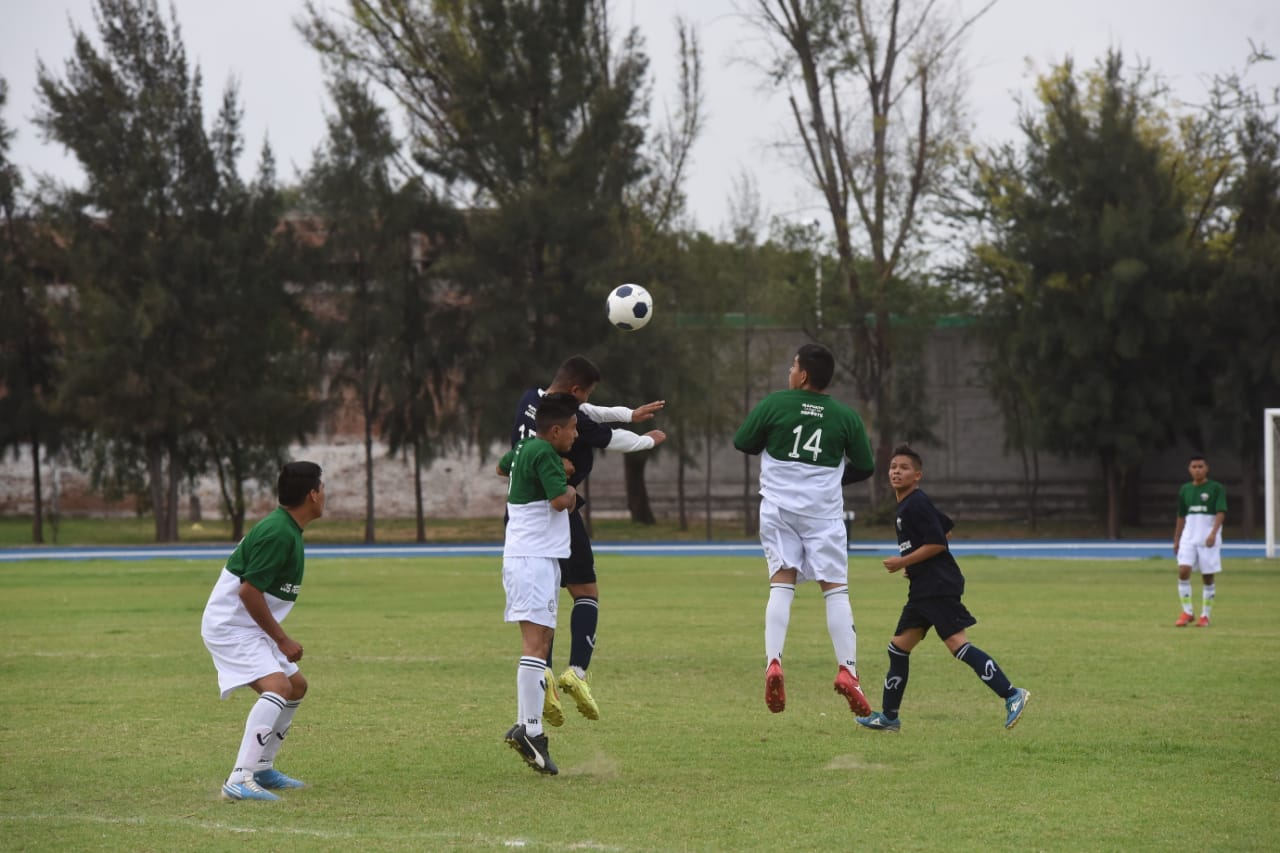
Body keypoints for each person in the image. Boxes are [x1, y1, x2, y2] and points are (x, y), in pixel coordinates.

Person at [510, 355, 666, 724]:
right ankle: (576, 673)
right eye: (585, 397)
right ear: (576, 392)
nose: (577, 428)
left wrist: (628, 413)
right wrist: (647, 440)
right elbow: (610, 437)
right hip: (554, 516)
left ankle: (543, 682)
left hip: (516, 517)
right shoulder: (570, 423)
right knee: (585, 592)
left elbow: (591, 411)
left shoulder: (529, 402)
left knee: (540, 607)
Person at [733, 343, 876, 717]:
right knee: (835, 590)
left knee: (782, 583)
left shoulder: (775, 404)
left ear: (804, 375)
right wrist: (829, 479)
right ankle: (848, 670)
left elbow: (743, 442)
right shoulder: (845, 416)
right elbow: (865, 465)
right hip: (823, 516)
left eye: (793, 366)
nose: (789, 372)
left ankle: (774, 661)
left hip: (778, 510)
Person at [855, 445, 1030, 732]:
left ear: (918, 475)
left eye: (904, 468)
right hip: (924, 587)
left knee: (957, 644)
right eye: (893, 467)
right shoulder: (910, 504)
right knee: (898, 649)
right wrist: (914, 565)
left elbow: (938, 542)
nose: (896, 472)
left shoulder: (916, 503)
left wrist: (904, 562)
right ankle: (889, 717)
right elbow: (946, 527)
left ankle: (1012, 694)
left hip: (937, 585)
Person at [200, 461, 326, 801]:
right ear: (313, 495)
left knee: (296, 686)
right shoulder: (277, 532)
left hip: (247, 625)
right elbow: (248, 592)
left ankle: (261, 768)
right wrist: (281, 639)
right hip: (231, 626)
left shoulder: (286, 528)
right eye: (322, 489)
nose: (324, 496)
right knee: (278, 686)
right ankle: (240, 778)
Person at [497, 392, 581, 775]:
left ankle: (524, 724)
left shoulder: (523, 448)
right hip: (532, 559)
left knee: (541, 641)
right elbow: (560, 502)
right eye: (574, 429)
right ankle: (532, 731)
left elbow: (503, 468)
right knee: (535, 644)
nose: (576, 436)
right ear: (556, 430)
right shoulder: (545, 453)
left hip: (530, 556)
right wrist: (572, 487)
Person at [1173, 455, 1227, 627]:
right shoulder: (1185, 490)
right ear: (1189, 469)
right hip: (1189, 537)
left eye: (1200, 466)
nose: (1197, 469)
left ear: (1206, 468)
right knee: (1183, 570)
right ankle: (1187, 612)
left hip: (1207, 538)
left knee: (1207, 576)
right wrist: (1177, 538)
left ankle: (1205, 616)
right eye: (1194, 467)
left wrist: (1213, 533)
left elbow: (1221, 512)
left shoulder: (1216, 488)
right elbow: (1181, 515)